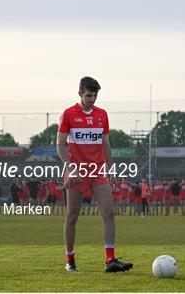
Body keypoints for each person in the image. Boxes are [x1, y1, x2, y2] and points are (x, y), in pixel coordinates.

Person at [56, 76, 133, 273]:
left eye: (95, 95)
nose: (92, 99)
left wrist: (111, 169)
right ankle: (70, 260)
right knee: (73, 216)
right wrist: (70, 167)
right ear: (80, 93)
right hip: (77, 171)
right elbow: (60, 144)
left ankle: (110, 260)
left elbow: (106, 144)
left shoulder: (102, 115)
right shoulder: (68, 114)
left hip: (98, 170)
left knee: (108, 211)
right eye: (89, 95)